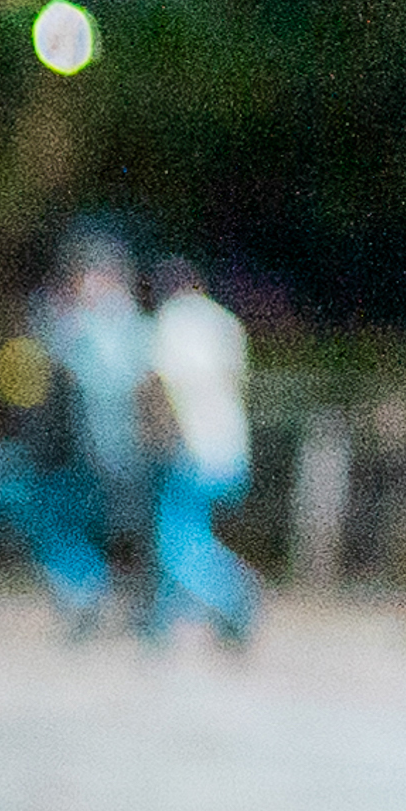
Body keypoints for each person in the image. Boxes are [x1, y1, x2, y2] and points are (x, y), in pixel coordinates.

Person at [25, 227, 153, 633]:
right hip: (95, 452)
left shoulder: (101, 322)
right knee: (80, 528)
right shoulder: (122, 322)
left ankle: (90, 594)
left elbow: (101, 382)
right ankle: (92, 596)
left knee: (70, 525)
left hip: (101, 452)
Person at [141, 255, 260, 652]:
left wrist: (158, 439)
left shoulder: (171, 321)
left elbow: (160, 384)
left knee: (175, 543)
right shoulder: (225, 323)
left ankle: (236, 594)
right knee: (193, 532)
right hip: (229, 446)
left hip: (190, 447)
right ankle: (167, 622)